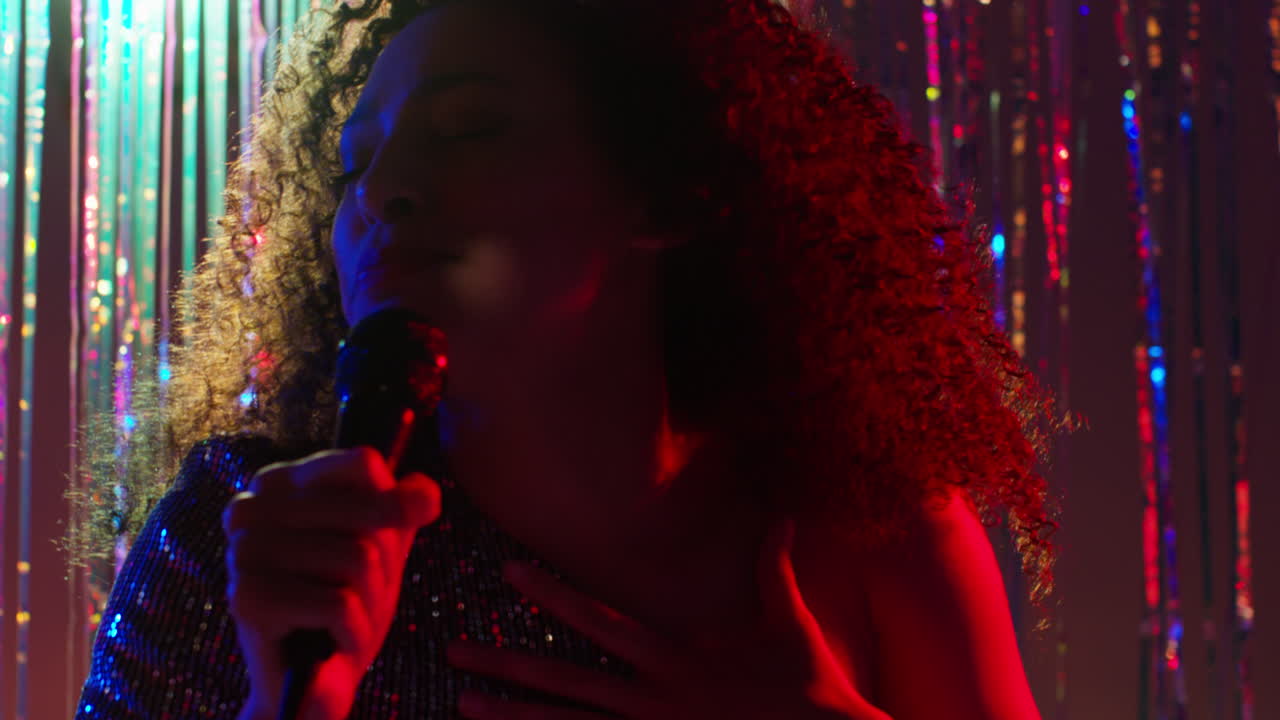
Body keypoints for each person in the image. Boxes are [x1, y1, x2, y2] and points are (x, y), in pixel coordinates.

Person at [67, 0, 1065, 718]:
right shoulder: (247, 531)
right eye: (356, 163)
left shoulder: (875, 535)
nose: (384, 192)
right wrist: (294, 694)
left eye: (470, 128)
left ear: (669, 194)